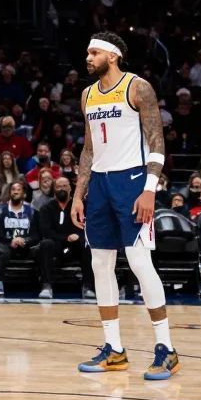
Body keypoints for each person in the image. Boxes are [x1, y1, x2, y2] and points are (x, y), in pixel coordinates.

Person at [71, 31, 179, 381]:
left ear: (112, 56)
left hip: (132, 180)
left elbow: (157, 142)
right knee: (100, 263)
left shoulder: (138, 87)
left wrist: (150, 189)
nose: (87, 57)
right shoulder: (87, 94)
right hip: (100, 184)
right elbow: (88, 149)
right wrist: (78, 192)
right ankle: (113, 349)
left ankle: (166, 348)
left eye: (93, 52)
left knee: (139, 262)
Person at [0, 180, 37, 296]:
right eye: (13, 189)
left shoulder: (32, 212)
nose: (15, 192)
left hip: (26, 246)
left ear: (24, 194)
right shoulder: (0, 210)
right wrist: (10, 240)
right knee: (1, 251)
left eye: (19, 190)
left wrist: (25, 241)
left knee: (40, 249)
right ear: (9, 193)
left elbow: (36, 235)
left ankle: (41, 284)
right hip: (6, 244)